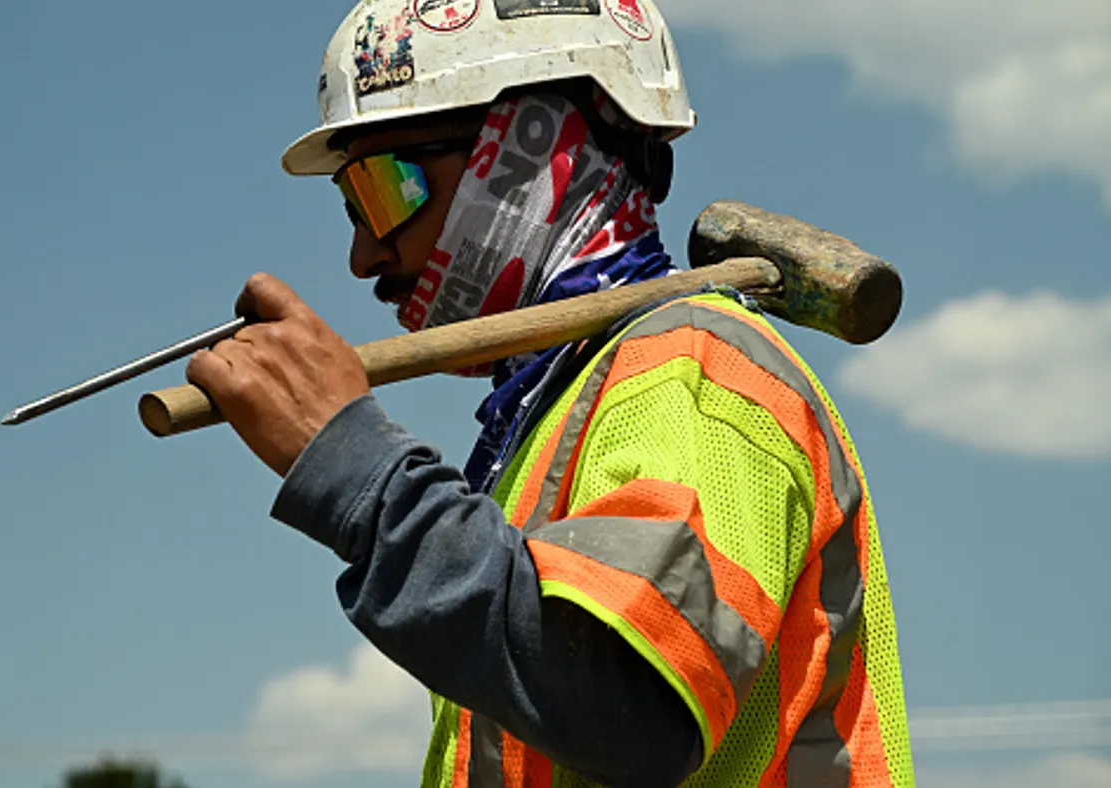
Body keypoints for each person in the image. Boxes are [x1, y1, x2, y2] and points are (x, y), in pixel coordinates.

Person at [185, 2, 914, 785]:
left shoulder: (694, 367)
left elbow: (627, 701)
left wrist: (359, 471)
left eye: (385, 187)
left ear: (534, 149)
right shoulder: (552, 414)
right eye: (350, 204)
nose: (364, 251)